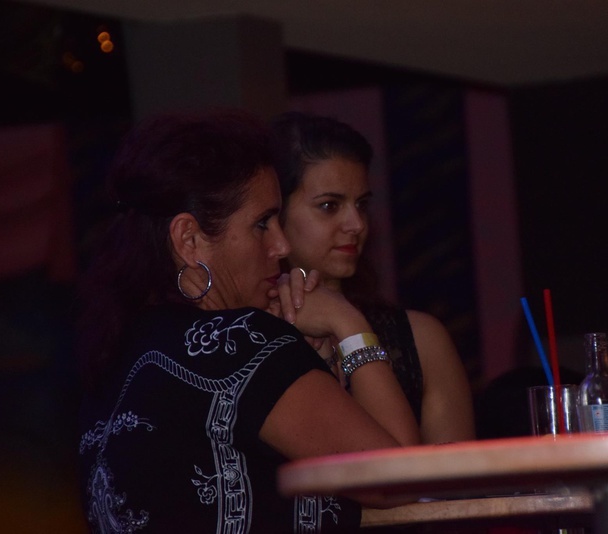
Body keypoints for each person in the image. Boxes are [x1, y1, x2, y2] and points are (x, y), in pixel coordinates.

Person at [76, 110, 420, 533]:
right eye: (262, 224)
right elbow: (402, 478)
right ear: (189, 239)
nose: (281, 245)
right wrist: (347, 322)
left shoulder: (115, 356)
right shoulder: (241, 343)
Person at [270, 111, 475, 444]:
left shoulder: (421, 339)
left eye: (362, 204)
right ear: (275, 213)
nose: (357, 224)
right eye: (329, 206)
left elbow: (454, 476)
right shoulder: (249, 333)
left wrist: (346, 322)